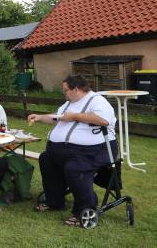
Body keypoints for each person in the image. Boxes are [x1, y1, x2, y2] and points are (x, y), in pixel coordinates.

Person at [28, 75, 117, 226]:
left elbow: (104, 120)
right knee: (46, 160)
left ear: (76, 89)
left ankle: (84, 209)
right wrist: (40, 117)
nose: (64, 93)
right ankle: (55, 202)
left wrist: (76, 116)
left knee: (75, 168)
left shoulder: (97, 100)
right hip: (63, 150)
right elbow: (57, 118)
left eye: (65, 90)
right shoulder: (69, 103)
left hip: (93, 151)